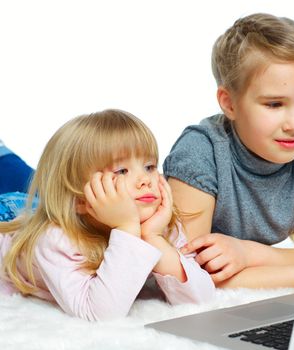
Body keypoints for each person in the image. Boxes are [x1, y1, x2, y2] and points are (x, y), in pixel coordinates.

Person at [163, 13, 294, 289]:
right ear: (229, 103)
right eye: (274, 105)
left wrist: (249, 253)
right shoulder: (200, 151)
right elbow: (186, 277)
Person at [0, 109, 215, 321]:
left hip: (30, 206)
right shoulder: (56, 239)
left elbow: (202, 299)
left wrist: (154, 239)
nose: (145, 180)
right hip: (7, 216)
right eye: (122, 171)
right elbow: (99, 314)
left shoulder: (159, 226)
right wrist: (127, 228)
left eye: (149, 167)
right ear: (80, 199)